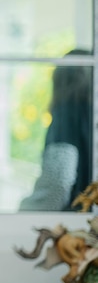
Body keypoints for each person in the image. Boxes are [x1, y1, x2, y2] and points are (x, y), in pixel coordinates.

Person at [19, 49, 92, 211]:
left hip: (75, 226)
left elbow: (58, 182)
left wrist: (23, 211)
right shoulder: (91, 116)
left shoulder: (67, 116)